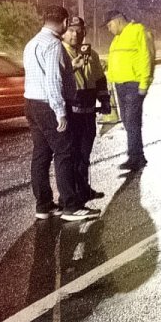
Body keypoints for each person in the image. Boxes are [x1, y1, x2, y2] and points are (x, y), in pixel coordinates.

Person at [23, 5, 98, 221]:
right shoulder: (54, 44)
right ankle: (71, 207)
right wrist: (60, 112)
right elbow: (52, 80)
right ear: (64, 23)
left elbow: (42, 74)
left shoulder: (32, 43)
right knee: (65, 153)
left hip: (31, 103)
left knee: (41, 155)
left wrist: (71, 67)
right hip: (47, 105)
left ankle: (44, 205)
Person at [62, 16, 110, 202]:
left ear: (84, 32)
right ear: (64, 33)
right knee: (72, 156)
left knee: (84, 154)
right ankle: (72, 194)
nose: (75, 34)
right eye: (71, 30)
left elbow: (100, 80)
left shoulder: (93, 55)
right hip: (71, 114)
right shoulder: (61, 54)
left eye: (79, 30)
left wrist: (105, 101)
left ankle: (83, 189)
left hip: (89, 113)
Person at [104, 10, 156, 171]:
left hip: (133, 84)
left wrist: (144, 84)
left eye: (109, 25)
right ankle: (138, 156)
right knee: (127, 121)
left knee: (132, 121)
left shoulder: (138, 31)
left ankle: (134, 157)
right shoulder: (117, 39)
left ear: (118, 20)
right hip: (120, 84)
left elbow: (147, 57)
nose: (109, 29)